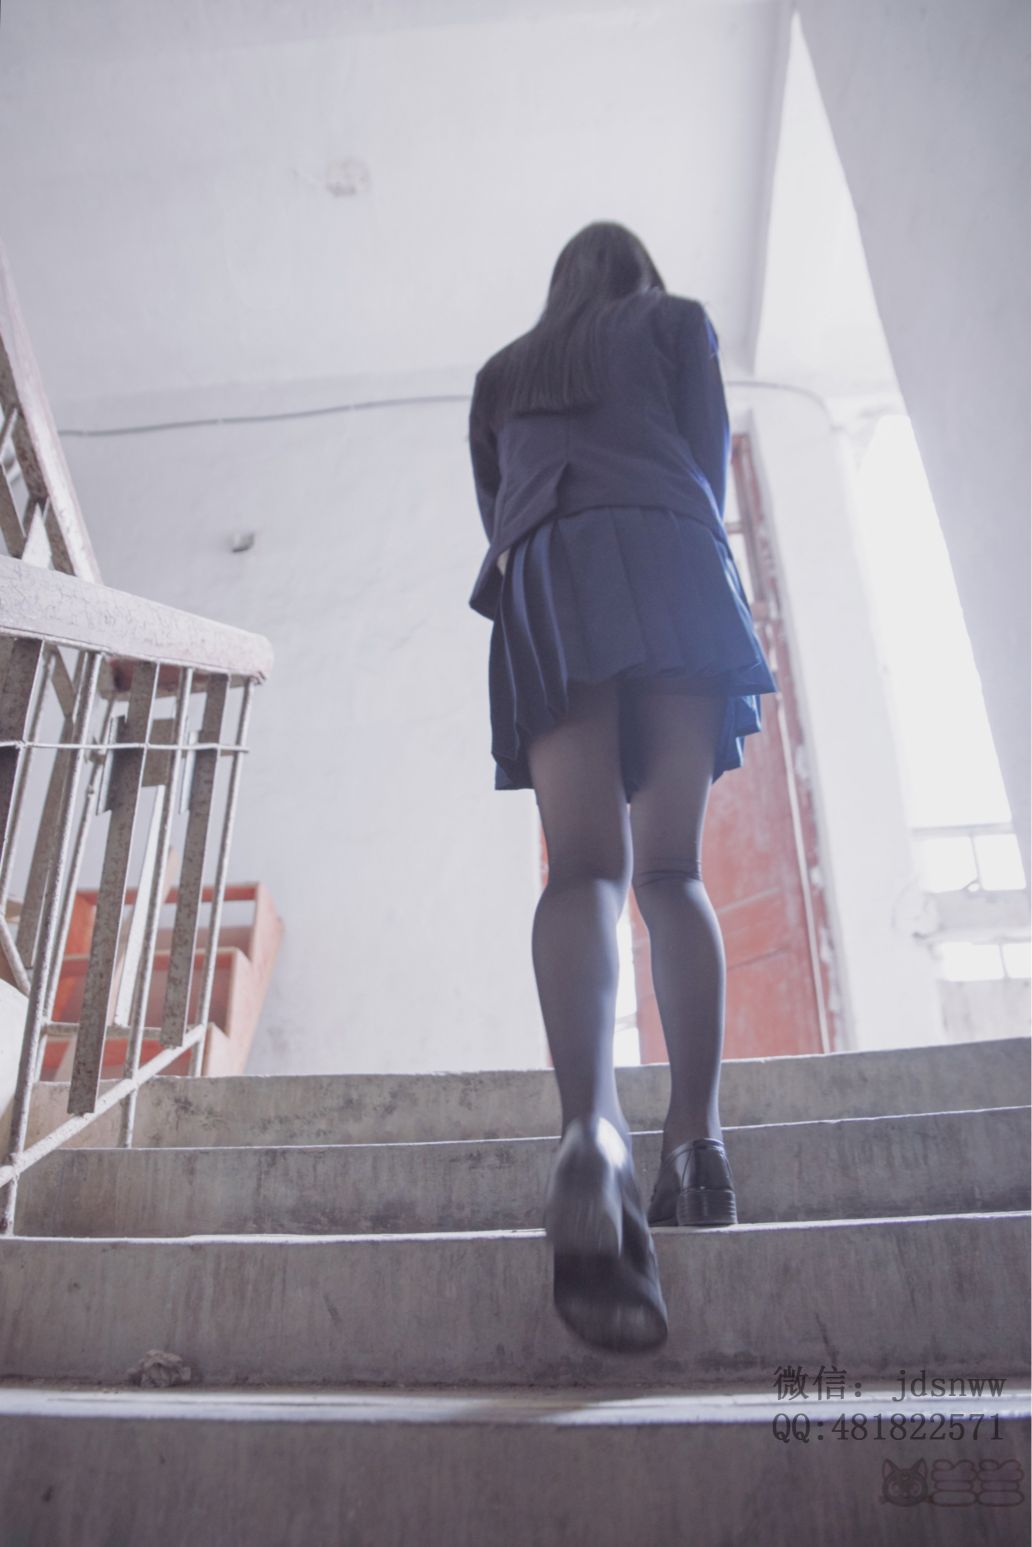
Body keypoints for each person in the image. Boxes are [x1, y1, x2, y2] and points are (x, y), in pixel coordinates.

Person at [466, 221, 779, 1354]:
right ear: (639, 277)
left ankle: (591, 1129)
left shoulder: (503, 372)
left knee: (584, 869)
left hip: (552, 565)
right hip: (673, 549)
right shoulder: (677, 323)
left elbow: (495, 506)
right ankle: (698, 1143)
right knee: (672, 870)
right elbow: (705, 462)